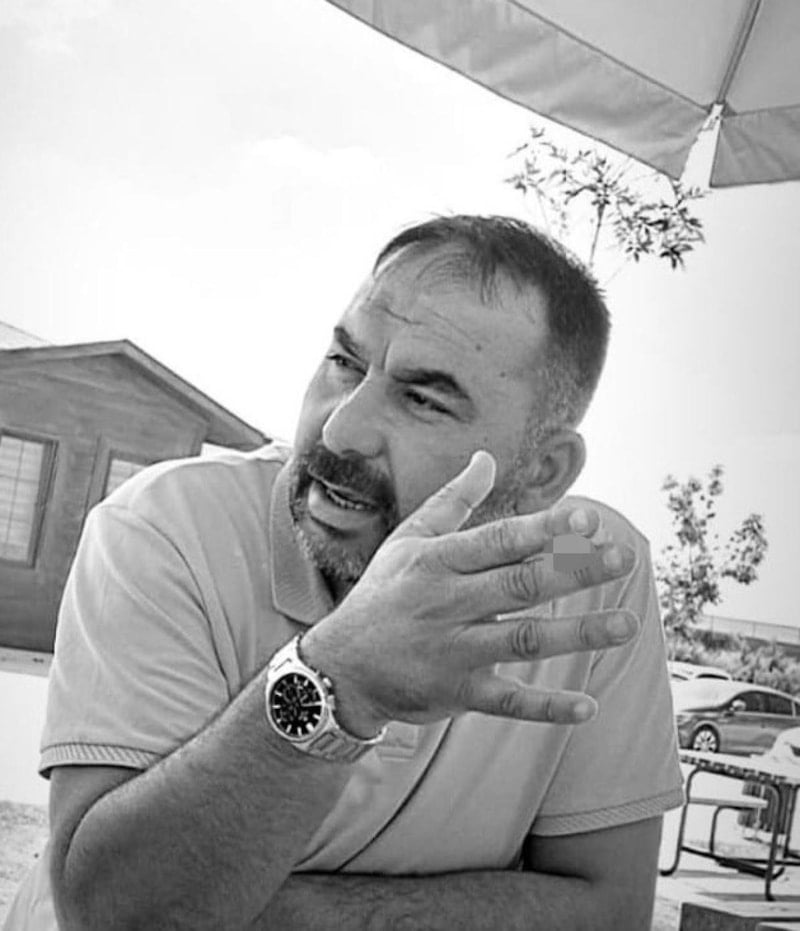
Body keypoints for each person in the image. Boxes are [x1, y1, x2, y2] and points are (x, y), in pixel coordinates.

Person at [5, 215, 682, 930]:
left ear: (542, 471)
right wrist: (338, 681)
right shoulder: (165, 527)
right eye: (345, 362)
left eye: (424, 399)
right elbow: (111, 915)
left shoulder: (588, 564)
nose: (340, 430)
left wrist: (256, 911)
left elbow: (610, 911)